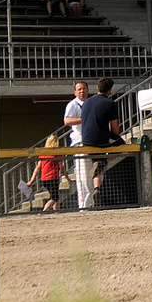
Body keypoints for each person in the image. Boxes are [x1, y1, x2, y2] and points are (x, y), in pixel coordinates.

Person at [79, 77, 125, 199]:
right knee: (122, 145)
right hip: (101, 139)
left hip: (86, 141)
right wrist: (115, 135)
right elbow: (114, 127)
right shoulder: (110, 103)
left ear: (97, 88)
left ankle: (96, 189)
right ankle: (104, 161)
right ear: (110, 90)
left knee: (98, 165)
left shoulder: (86, 102)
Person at [64, 81, 94, 210]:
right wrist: (84, 119)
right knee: (82, 176)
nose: (82, 91)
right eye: (79, 89)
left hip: (92, 141)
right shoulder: (73, 104)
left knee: (91, 175)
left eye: (84, 89)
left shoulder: (91, 103)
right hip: (80, 142)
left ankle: (91, 203)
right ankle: (83, 206)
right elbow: (67, 120)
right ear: (75, 92)